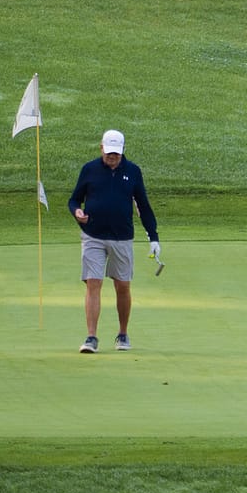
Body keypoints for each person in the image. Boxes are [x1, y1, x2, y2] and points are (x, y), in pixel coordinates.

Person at [68, 129, 160, 354]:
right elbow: (74, 200)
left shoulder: (133, 171)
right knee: (93, 283)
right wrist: (77, 212)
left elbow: (143, 206)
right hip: (93, 235)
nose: (112, 157)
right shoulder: (89, 169)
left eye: (116, 153)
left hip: (122, 237)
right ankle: (91, 337)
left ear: (123, 150)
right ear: (101, 148)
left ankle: (123, 333)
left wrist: (153, 237)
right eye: (109, 152)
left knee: (123, 286)